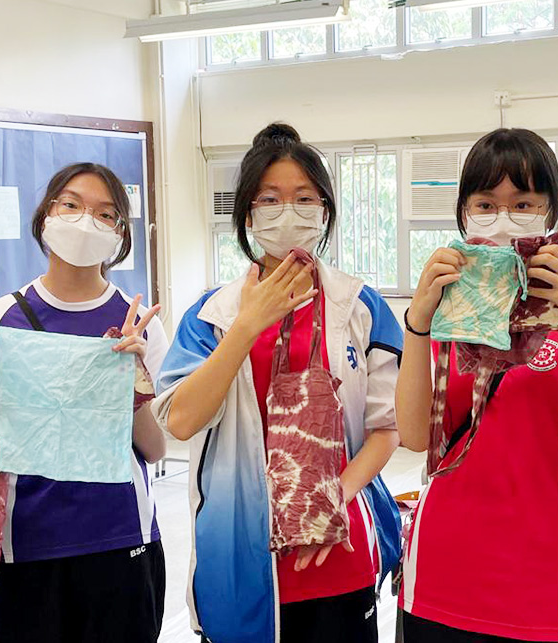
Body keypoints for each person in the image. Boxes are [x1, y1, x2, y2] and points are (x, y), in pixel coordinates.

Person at [154, 123, 403, 643]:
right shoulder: (212, 315)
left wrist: (332, 497)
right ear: (248, 215)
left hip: (339, 547)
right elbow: (181, 421)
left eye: (304, 198)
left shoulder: (361, 306)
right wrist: (246, 327)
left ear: (324, 212)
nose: (288, 212)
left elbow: (387, 428)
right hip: (239, 553)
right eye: (270, 199)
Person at [395, 128, 558, 642]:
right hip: (440, 575)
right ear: (465, 212)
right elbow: (416, 436)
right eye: (486, 204)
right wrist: (418, 320)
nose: (503, 218)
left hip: (551, 584)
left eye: (523, 203)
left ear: (550, 212)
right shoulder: (446, 304)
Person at [0, 163, 168, 643]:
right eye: (71, 205)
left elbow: (156, 449)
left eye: (105, 214)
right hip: (28, 543)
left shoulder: (139, 322)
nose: (85, 221)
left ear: (120, 233)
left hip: (121, 535)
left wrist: (133, 383)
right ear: (45, 215)